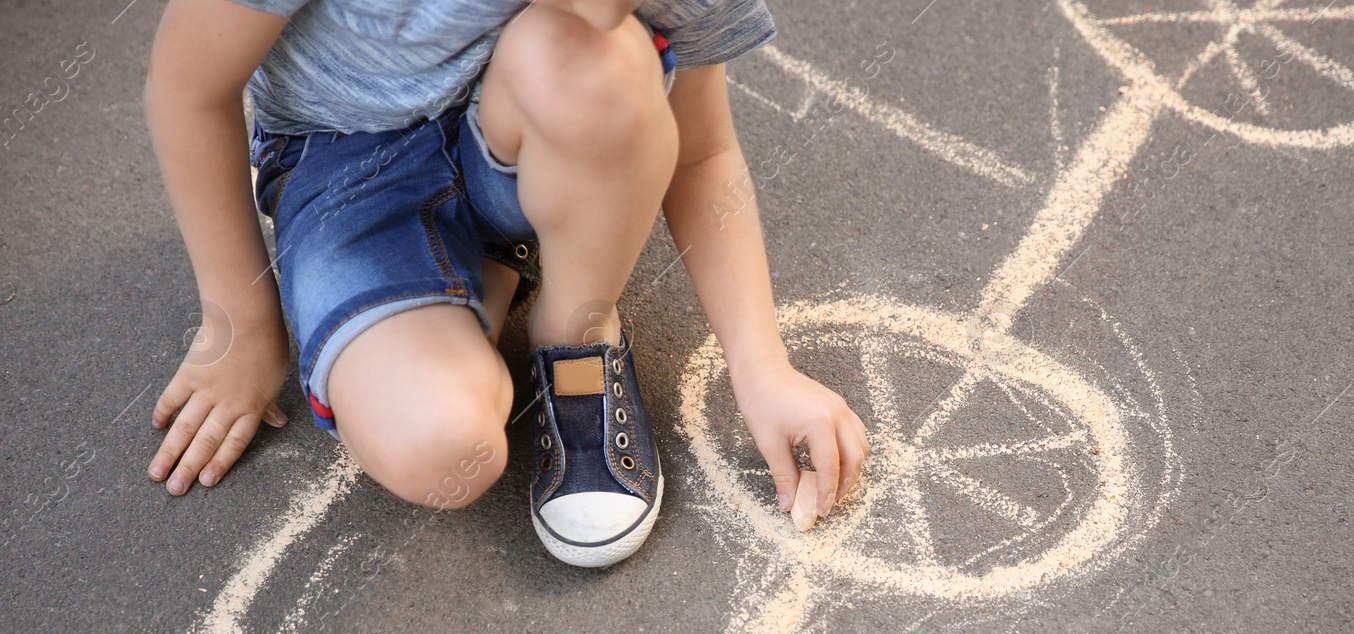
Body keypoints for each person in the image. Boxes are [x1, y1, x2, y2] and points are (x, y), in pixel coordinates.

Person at [143, 0, 869, 566]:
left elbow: (701, 152)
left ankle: (573, 335)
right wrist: (242, 328)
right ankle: (497, 262)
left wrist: (763, 366)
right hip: (346, 161)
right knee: (448, 444)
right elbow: (187, 90)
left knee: (595, 65)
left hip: (519, 128)